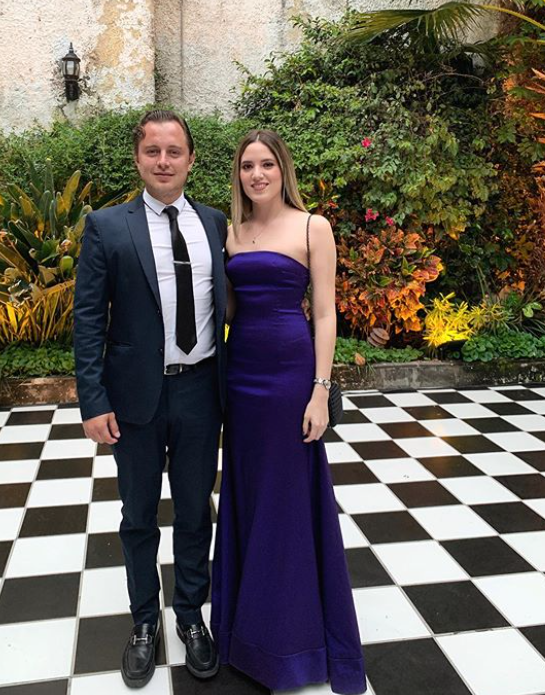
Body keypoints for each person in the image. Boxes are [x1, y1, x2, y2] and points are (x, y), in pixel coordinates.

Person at [73, 109, 227, 689]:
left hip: (200, 391)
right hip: (135, 398)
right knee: (138, 516)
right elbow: (88, 319)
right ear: (138, 159)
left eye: (174, 151)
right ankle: (144, 622)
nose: (164, 162)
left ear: (191, 159)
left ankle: (190, 616)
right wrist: (93, 400)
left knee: (194, 512)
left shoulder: (215, 224)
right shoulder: (107, 226)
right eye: (153, 151)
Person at [210, 130, 366, 694]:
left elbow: (324, 314)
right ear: (238, 174)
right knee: (248, 492)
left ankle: (290, 642)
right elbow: (227, 308)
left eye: (267, 164)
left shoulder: (311, 227)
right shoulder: (231, 232)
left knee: (287, 497)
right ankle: (244, 629)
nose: (257, 174)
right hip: (241, 377)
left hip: (289, 375)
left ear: (283, 170)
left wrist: (320, 391)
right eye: (247, 166)